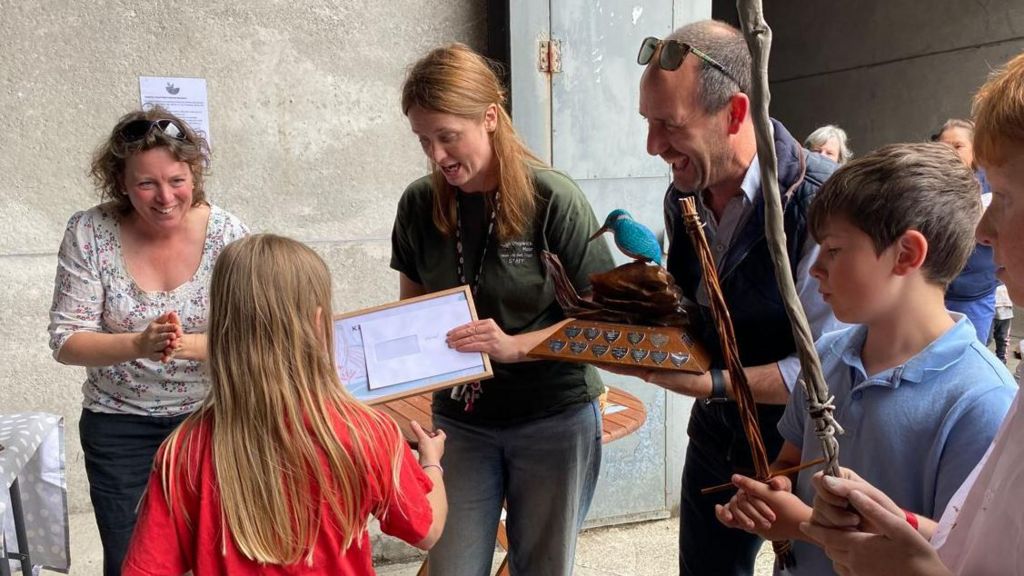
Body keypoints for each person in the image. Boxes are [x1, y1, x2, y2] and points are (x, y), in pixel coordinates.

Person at [713, 143, 1016, 575]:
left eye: (833, 250)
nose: (816, 270)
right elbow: (790, 461)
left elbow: (962, 548)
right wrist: (773, 489)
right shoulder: (824, 358)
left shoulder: (982, 401)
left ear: (907, 255)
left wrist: (799, 522)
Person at [627, 20, 842, 575]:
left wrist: (714, 381)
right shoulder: (685, 194)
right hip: (716, 436)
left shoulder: (821, 205)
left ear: (736, 114)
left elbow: (825, 371)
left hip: (801, 448)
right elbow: (694, 309)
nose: (653, 147)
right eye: (648, 124)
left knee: (802, 569)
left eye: (668, 125)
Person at [392, 43, 615, 576]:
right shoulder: (420, 204)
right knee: (451, 565)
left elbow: (607, 325)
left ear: (490, 117)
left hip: (554, 418)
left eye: (448, 136)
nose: (438, 155)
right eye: (425, 140)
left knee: (540, 566)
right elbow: (410, 312)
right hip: (460, 423)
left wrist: (515, 346)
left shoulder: (552, 199)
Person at [799, 51, 1024, 576]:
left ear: (906, 255)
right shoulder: (833, 353)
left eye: (1006, 197)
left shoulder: (985, 397)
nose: (984, 235)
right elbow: (976, 539)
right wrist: (889, 519)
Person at [120, 234, 446, 574]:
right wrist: (432, 462)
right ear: (319, 324)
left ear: (221, 328)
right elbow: (427, 530)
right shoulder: (366, 432)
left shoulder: (185, 451)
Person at [47, 107, 248, 575]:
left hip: (215, 419)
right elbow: (66, 340)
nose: (164, 197)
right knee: (134, 561)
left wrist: (181, 344)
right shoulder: (89, 233)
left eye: (176, 180)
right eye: (146, 184)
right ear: (119, 182)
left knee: (224, 557)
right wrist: (138, 345)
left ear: (194, 172)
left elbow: (253, 338)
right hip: (120, 425)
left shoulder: (229, 235)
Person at [934, 118, 1000, 343]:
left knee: (968, 352)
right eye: (943, 147)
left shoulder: (992, 184)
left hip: (974, 295)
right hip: (933, 291)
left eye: (958, 146)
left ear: (975, 151)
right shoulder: (927, 184)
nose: (950, 153)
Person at [990, 282, 1013, 363]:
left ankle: (1002, 363)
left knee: (1003, 339)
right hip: (988, 306)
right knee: (986, 339)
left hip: (1005, 305)